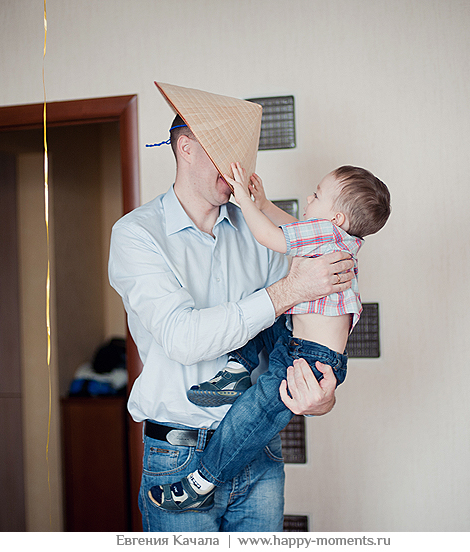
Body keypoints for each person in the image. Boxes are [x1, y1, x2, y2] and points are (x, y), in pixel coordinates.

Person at [108, 115, 355, 532]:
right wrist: (287, 290)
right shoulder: (137, 234)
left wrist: (321, 397)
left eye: (245, 156)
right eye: (227, 154)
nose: (239, 167)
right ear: (186, 149)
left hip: (260, 451)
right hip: (179, 457)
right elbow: (183, 340)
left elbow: (301, 329)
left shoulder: (260, 231)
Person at [147, 163, 391, 511]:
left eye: (317, 195)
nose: (309, 197)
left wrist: (246, 201)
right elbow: (294, 230)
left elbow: (273, 237)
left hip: (308, 357)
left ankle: (201, 482)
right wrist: (264, 205)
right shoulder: (338, 238)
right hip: (301, 343)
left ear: (336, 218)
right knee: (262, 316)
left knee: (254, 415)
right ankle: (236, 372)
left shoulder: (325, 234)